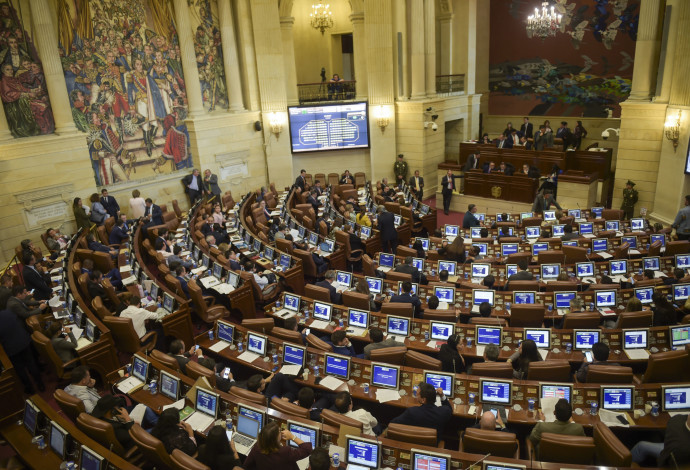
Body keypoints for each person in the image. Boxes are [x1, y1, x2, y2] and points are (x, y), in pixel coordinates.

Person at [0, 306, 45, 394]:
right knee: (31, 363)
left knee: (20, 369)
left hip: (11, 348)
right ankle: (41, 384)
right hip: (23, 341)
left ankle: (30, 388)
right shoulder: (8, 311)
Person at [244, 421, 312, 470]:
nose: (281, 432)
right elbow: (307, 449)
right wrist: (292, 437)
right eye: (279, 431)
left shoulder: (257, 447)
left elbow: (247, 466)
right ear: (275, 439)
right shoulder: (285, 452)